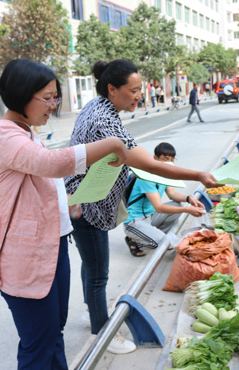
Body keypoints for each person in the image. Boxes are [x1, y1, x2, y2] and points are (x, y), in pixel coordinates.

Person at [0, 58, 128, 369]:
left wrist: (69, 199)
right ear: (22, 93)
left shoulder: (26, 131)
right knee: (38, 342)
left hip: (53, 247)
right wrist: (111, 144)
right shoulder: (3, 134)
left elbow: (36, 185)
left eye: (55, 97)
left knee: (53, 334)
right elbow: (50, 164)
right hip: (24, 256)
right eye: (46, 98)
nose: (53, 105)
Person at [65, 59, 218, 355]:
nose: (139, 96)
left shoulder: (97, 106)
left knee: (91, 265)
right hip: (88, 207)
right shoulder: (105, 122)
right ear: (112, 89)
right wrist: (198, 175)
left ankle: (90, 311)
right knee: (98, 273)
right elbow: (150, 165)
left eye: (140, 90)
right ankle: (101, 331)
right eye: (133, 90)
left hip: (85, 201)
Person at [123, 142, 206, 257]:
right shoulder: (146, 177)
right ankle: (135, 239)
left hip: (151, 216)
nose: (169, 163)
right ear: (155, 158)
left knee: (177, 205)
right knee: (165, 244)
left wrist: (189, 199)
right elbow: (159, 207)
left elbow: (172, 194)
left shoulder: (164, 174)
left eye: (172, 159)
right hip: (134, 220)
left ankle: (151, 234)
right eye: (166, 159)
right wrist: (188, 210)